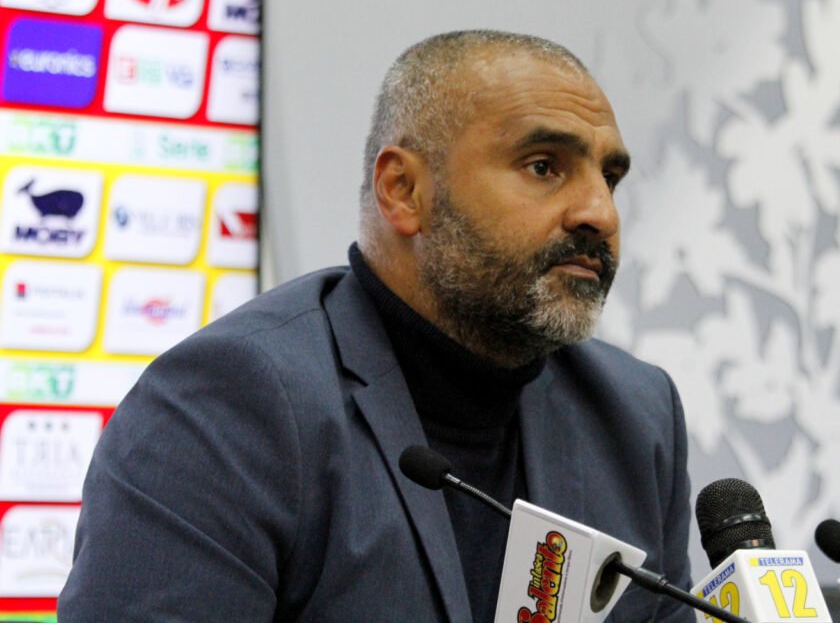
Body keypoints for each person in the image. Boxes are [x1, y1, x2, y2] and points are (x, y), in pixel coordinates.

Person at [59, 30, 694, 622]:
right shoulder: (227, 404)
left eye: (610, 177)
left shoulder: (636, 416)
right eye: (543, 166)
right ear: (403, 190)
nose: (600, 213)